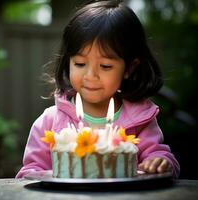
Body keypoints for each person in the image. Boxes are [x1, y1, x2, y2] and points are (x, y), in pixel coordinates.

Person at [16, 0, 180, 178]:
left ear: (129, 68)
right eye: (80, 63)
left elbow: (159, 156)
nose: (90, 75)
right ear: (68, 61)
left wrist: (160, 162)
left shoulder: (140, 120)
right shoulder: (50, 122)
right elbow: (30, 174)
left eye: (105, 66)